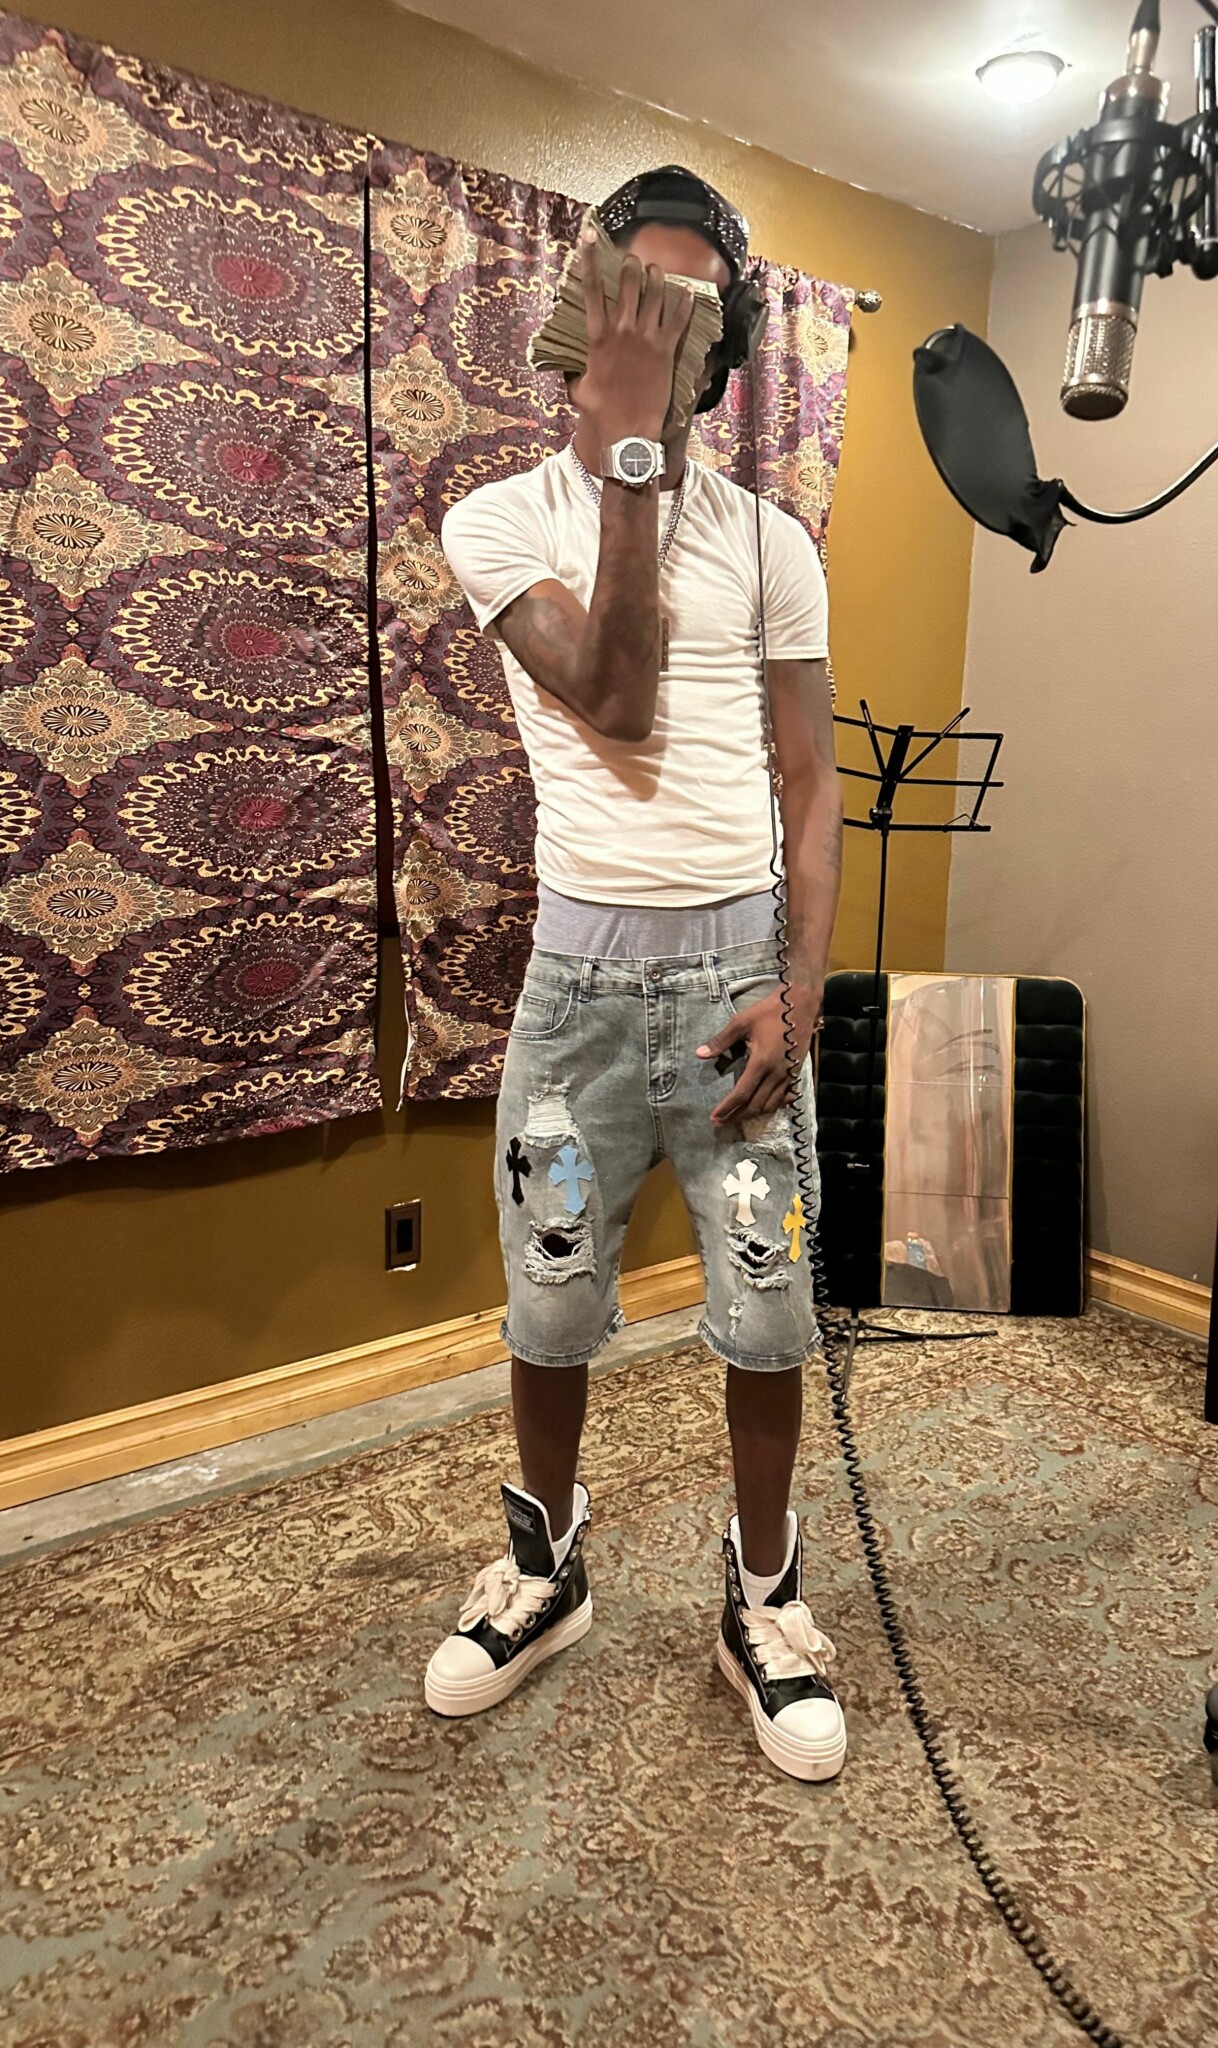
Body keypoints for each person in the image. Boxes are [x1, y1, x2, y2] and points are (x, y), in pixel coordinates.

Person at [426, 166, 845, 1782]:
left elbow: (811, 784)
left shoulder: (772, 542)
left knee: (768, 1306)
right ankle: (544, 1572)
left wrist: (801, 992)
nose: (659, 335)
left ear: (721, 346)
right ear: (584, 311)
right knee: (548, 1300)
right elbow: (610, 694)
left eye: (691, 314)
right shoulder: (498, 519)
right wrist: (622, 471)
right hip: (575, 1007)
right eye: (635, 301)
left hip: (739, 982)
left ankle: (766, 1603)